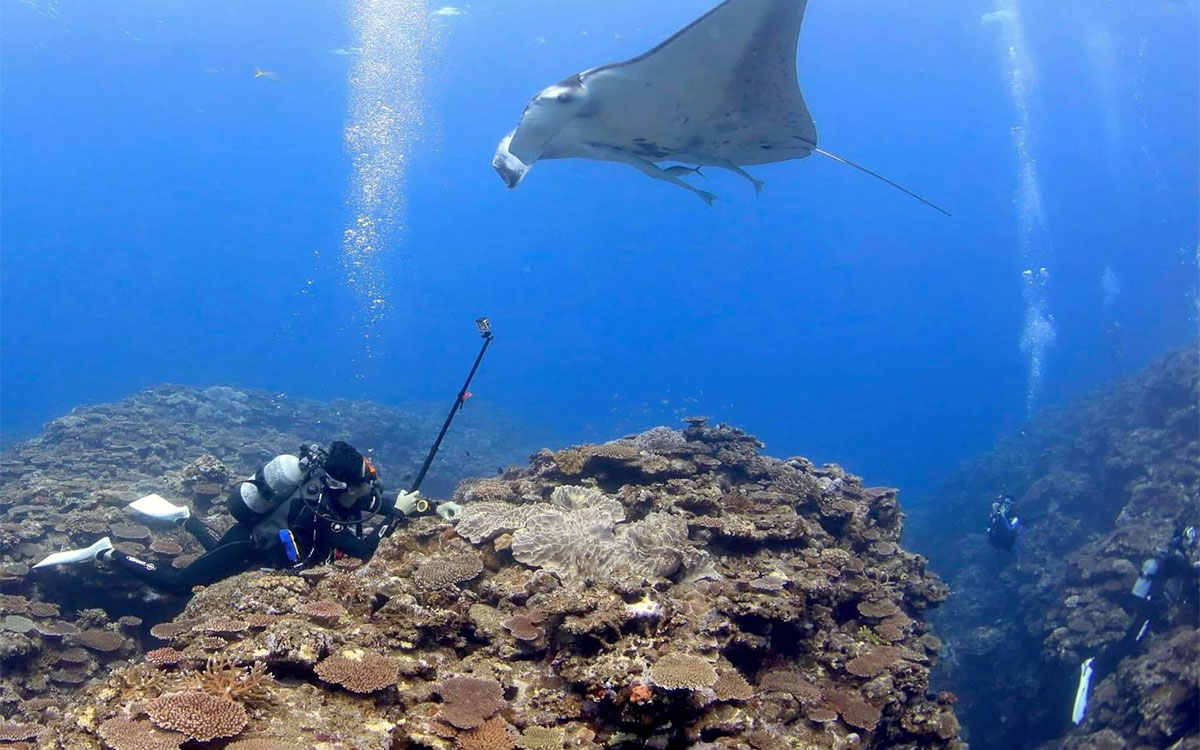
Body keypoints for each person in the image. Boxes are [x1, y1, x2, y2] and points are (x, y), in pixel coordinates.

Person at [33, 441, 462, 596]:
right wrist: (398, 519)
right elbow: (366, 549)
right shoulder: (313, 512)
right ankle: (107, 552)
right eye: (363, 485)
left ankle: (184, 518)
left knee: (222, 553)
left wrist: (430, 506)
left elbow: (378, 504)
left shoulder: (332, 490)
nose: (370, 491)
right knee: (183, 586)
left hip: (254, 536)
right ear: (340, 485)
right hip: (251, 543)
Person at [1071, 523, 1199, 724]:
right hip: (1147, 606)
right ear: (1183, 536)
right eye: (1191, 534)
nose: (1194, 539)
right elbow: (1191, 573)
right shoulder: (1175, 558)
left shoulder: (1169, 556)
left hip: (1143, 603)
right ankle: (1095, 665)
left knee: (1136, 639)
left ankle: (1103, 669)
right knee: (1133, 640)